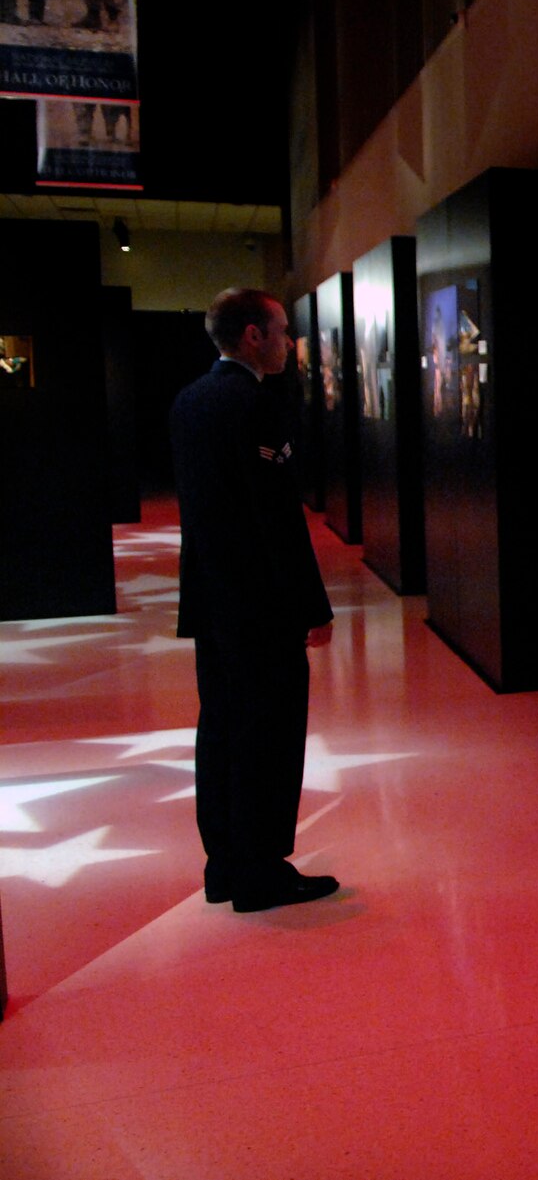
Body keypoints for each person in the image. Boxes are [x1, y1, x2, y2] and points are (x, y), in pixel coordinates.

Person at [170, 289, 340, 913]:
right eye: (283, 332)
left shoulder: (190, 402)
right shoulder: (254, 406)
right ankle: (262, 870)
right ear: (252, 336)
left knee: (220, 728)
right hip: (259, 604)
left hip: (212, 600)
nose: (290, 344)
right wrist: (311, 606)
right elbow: (276, 521)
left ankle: (226, 865)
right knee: (268, 733)